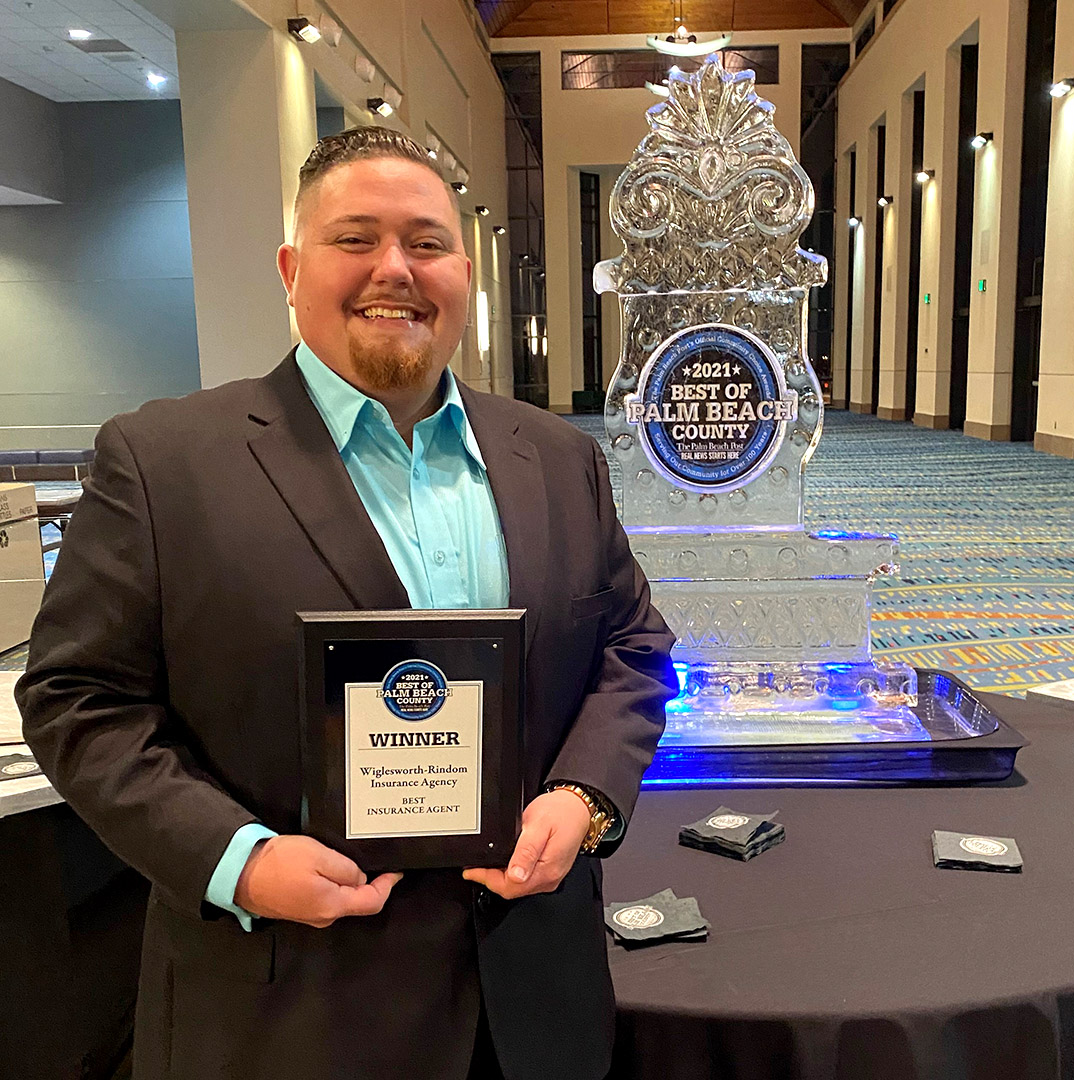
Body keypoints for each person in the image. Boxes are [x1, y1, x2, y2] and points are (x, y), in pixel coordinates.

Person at [18, 126, 676, 1080]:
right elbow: (78, 698)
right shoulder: (165, 464)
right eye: (356, 239)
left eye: (426, 241)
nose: (395, 270)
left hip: (536, 1000)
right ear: (292, 268)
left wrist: (584, 797)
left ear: (465, 271)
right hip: (289, 1011)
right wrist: (236, 860)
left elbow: (631, 644)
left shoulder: (557, 457)